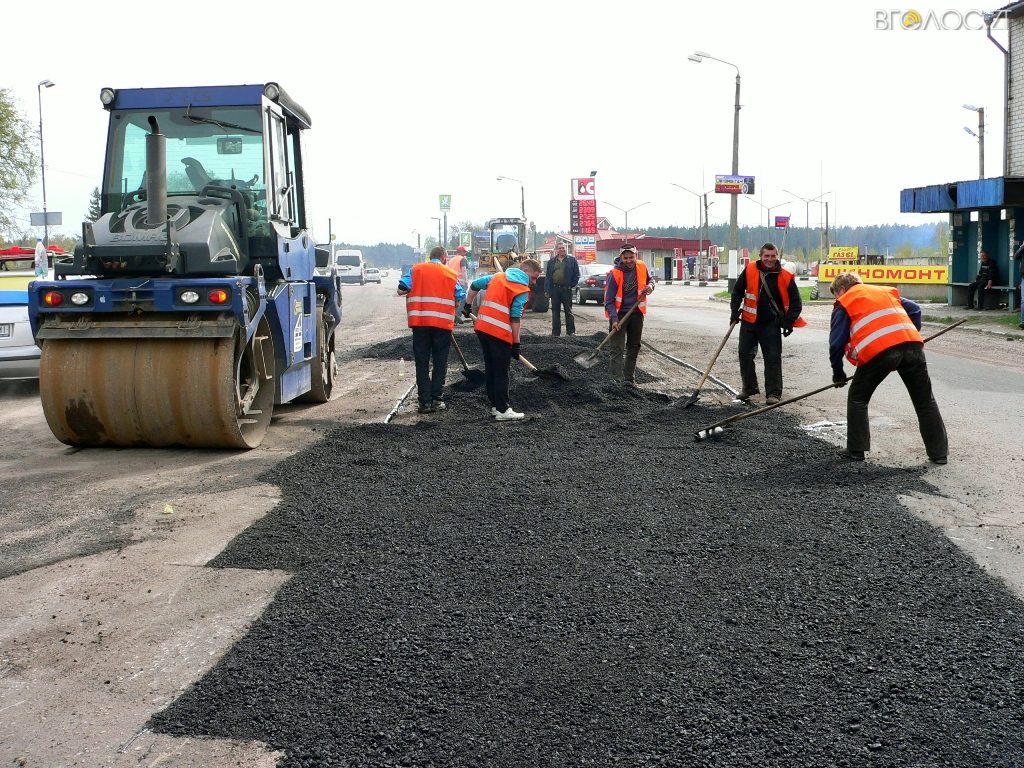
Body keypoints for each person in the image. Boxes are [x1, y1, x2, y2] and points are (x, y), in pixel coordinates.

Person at [829, 272, 947, 464]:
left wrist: (838, 373)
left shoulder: (844, 302)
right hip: (913, 346)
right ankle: (939, 454)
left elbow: (836, 344)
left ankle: (856, 450)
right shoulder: (885, 291)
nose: (837, 298)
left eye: (836, 294)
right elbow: (915, 310)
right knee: (925, 400)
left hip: (880, 350)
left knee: (858, 398)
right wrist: (908, 334)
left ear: (841, 289)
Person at [463, 258, 543, 420]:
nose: (534, 282)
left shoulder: (497, 277)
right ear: (525, 271)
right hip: (499, 333)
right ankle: (503, 409)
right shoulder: (521, 289)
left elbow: (475, 285)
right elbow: (515, 318)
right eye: (534, 277)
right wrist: (516, 343)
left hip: (483, 329)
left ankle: (495, 406)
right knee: (501, 372)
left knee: (491, 368)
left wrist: (468, 305)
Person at [729, 242, 805, 404]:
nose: (770, 259)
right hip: (749, 321)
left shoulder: (785, 276)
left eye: (773, 256)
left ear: (777, 256)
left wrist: (789, 321)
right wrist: (734, 311)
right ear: (761, 256)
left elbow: (796, 303)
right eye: (766, 256)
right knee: (744, 355)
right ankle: (749, 388)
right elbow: (737, 292)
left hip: (771, 324)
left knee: (772, 358)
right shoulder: (750, 269)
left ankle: (773, 394)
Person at [397, 245, 465, 414]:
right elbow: (458, 297)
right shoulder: (450, 273)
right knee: (440, 362)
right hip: (442, 325)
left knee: (422, 362)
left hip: (420, 323)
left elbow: (401, 289)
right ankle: (437, 400)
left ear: (430, 256)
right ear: (444, 257)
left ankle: (424, 403)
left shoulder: (416, 269)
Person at [603, 244, 654, 385]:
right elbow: (608, 300)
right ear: (621, 258)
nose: (629, 260)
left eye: (631, 257)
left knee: (633, 347)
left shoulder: (641, 266)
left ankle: (629, 380)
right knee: (617, 348)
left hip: (637, 313)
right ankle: (615, 381)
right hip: (619, 315)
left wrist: (650, 286)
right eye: (625, 258)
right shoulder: (614, 274)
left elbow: (650, 280)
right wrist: (614, 319)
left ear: (636, 256)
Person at [545, 243, 580, 336]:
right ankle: (556, 333)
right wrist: (547, 289)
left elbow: (577, 274)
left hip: (566, 289)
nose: (562, 250)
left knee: (568, 311)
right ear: (557, 250)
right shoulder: (551, 261)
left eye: (563, 248)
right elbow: (548, 276)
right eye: (560, 248)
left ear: (566, 249)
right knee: (555, 311)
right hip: (555, 289)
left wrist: (571, 285)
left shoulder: (572, 260)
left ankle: (571, 332)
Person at [447, 245, 470, 322]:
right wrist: (465, 281)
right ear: (462, 252)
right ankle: (457, 316)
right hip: (460, 282)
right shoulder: (463, 259)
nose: (465, 253)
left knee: (453, 299)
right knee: (462, 299)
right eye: (465, 251)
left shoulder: (451, 260)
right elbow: (464, 270)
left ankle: (452, 316)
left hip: (451, 281)